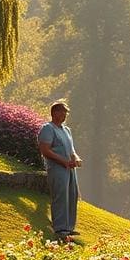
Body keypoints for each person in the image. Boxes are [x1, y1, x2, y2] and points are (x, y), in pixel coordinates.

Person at [37, 101, 82, 240]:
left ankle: (69, 227)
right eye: (62, 112)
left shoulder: (66, 130)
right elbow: (46, 150)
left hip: (69, 168)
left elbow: (71, 150)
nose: (65, 115)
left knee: (72, 195)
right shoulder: (48, 129)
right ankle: (60, 228)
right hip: (57, 168)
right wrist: (63, 161)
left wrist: (76, 158)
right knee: (60, 196)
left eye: (66, 112)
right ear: (54, 113)